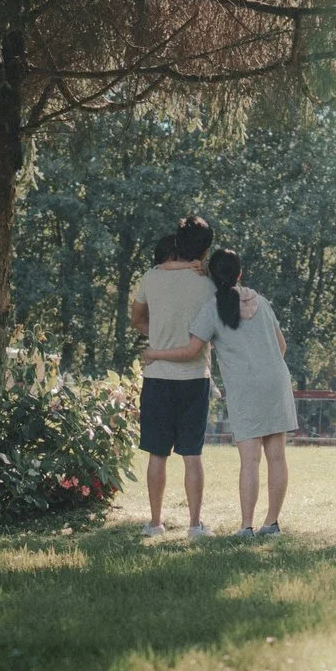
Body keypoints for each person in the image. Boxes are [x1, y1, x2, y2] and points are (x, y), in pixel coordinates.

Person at [143, 247, 296, 536]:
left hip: (245, 387)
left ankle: (246, 527)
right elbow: (282, 347)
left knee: (250, 460)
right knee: (277, 456)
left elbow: (190, 351)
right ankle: (272, 524)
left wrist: (155, 353)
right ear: (240, 273)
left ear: (213, 277)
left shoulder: (213, 308)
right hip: (277, 381)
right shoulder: (261, 302)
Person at [127, 218, 217, 537]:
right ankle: (195, 524)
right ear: (205, 250)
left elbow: (136, 319)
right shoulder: (209, 283)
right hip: (195, 378)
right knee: (192, 455)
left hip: (158, 377)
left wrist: (159, 334)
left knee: (158, 453)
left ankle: (155, 523)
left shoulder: (151, 277)